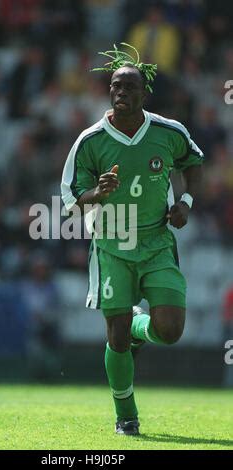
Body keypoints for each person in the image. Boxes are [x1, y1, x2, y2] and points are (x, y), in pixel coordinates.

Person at [61, 44, 204, 436]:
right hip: (111, 245)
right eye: (114, 86)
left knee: (170, 331)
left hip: (157, 242)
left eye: (128, 87)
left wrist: (186, 202)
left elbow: (194, 162)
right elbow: (71, 201)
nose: (120, 93)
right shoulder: (90, 141)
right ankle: (126, 416)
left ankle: (144, 327)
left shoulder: (169, 132)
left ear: (144, 94)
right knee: (117, 336)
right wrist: (97, 194)